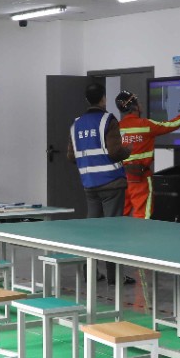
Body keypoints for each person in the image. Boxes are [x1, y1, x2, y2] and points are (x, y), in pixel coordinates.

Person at [69, 83, 129, 282]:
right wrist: (128, 151)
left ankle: (90, 274)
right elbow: (115, 152)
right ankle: (115, 277)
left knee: (92, 232)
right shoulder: (108, 120)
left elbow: (71, 156)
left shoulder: (76, 124)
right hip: (112, 183)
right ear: (103, 98)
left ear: (87, 99)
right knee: (113, 231)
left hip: (89, 184)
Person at [115, 89, 180, 219]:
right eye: (138, 102)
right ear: (134, 107)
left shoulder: (116, 127)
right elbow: (170, 125)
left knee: (120, 216)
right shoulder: (145, 125)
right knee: (143, 216)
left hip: (121, 178)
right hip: (141, 178)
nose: (141, 104)